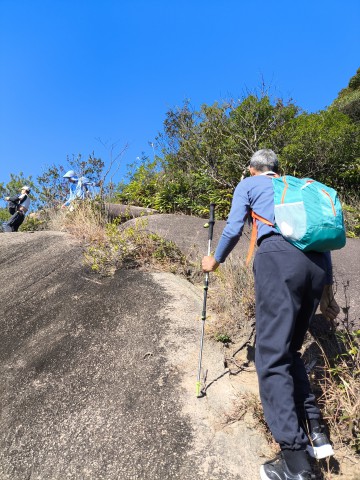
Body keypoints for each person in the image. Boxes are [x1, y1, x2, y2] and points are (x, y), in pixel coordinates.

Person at [202, 149, 340, 480]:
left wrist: (215, 260)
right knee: (289, 351)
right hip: (316, 266)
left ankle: (293, 462)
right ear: (276, 170)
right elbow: (319, 240)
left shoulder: (249, 185)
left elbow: (234, 226)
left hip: (279, 260)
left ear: (252, 169)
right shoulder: (299, 188)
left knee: (269, 357)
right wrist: (328, 294)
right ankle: (317, 434)